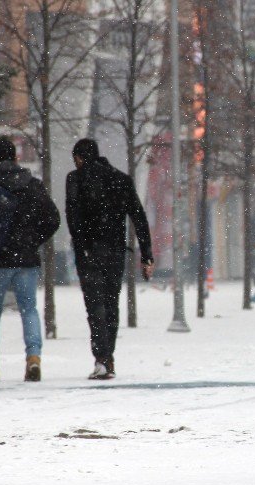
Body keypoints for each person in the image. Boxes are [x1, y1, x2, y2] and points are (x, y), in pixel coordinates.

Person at [0, 136, 60, 382]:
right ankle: (34, 357)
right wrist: (32, 240)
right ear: (16, 157)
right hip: (26, 259)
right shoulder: (32, 184)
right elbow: (52, 218)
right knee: (29, 309)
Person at [66, 139, 155, 380]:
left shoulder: (75, 180)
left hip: (89, 254)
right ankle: (108, 357)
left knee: (95, 308)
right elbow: (139, 218)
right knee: (110, 305)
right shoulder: (121, 179)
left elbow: (72, 217)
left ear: (80, 158)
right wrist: (146, 254)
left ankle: (101, 358)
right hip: (115, 253)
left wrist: (81, 247)